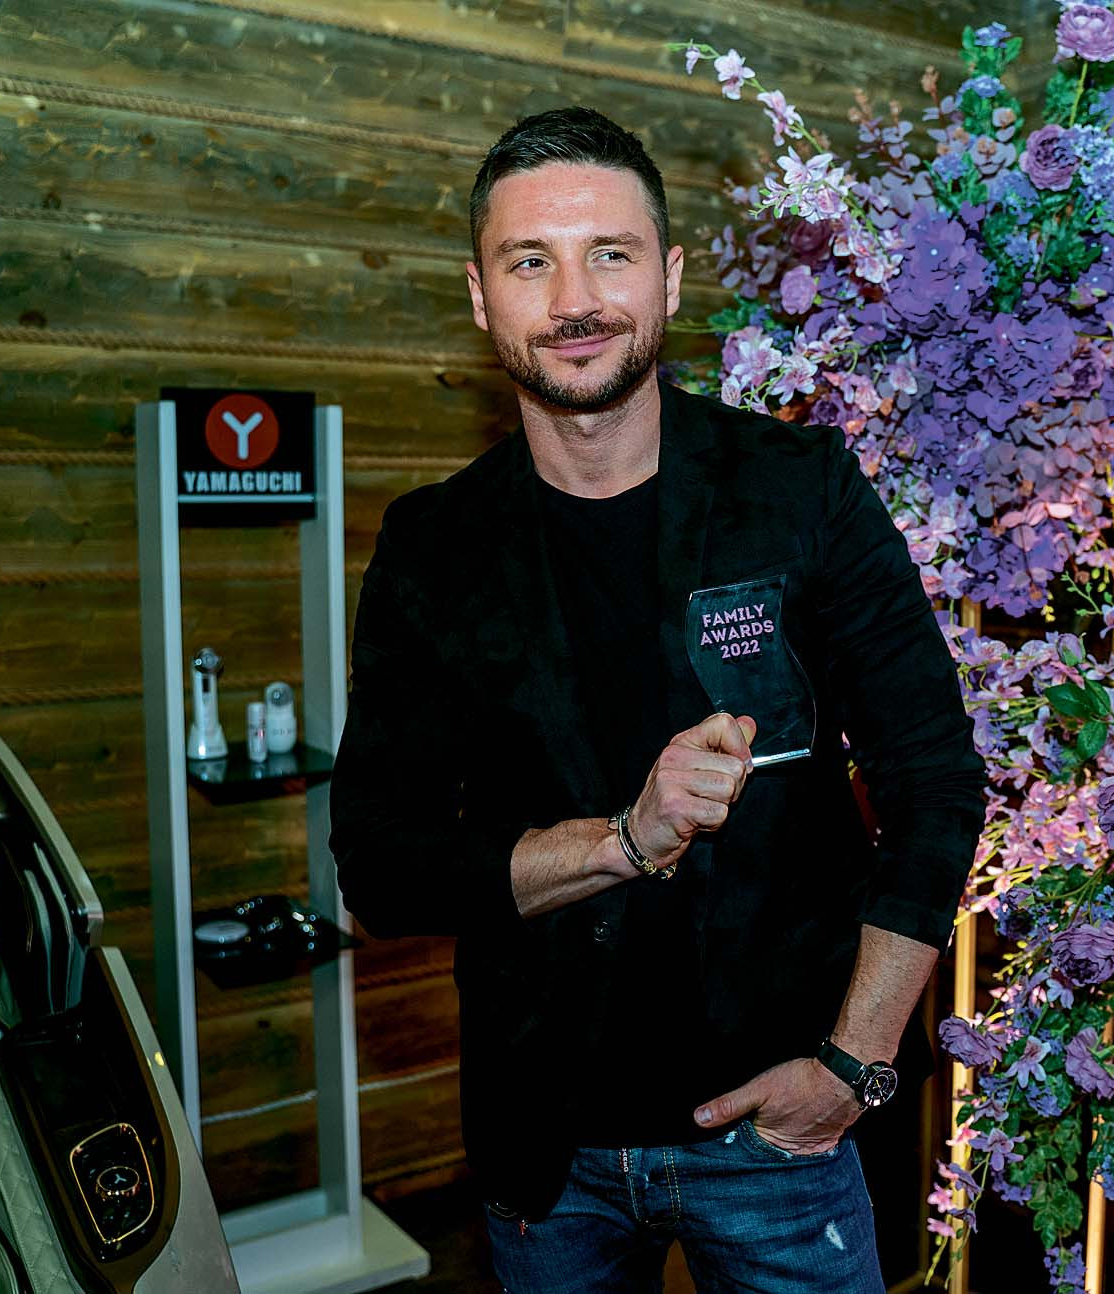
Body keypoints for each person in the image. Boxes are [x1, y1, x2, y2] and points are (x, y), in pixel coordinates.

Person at [327, 106, 989, 1292]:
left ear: (669, 278)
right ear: (480, 297)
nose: (574, 300)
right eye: (530, 262)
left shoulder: (801, 492)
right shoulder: (434, 549)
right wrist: (621, 842)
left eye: (610, 254)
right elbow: (382, 863)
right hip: (549, 1147)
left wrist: (855, 1062)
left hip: (784, 1128)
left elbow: (935, 782)